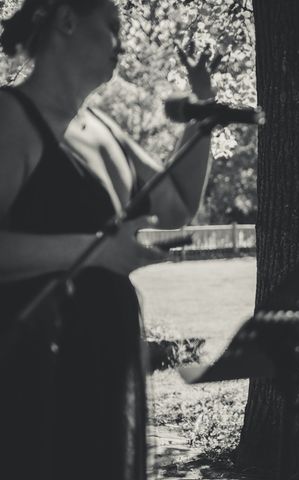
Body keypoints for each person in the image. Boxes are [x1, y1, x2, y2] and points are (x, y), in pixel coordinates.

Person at [0, 1, 220, 478]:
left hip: (103, 363)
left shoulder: (103, 129)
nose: (122, 43)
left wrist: (203, 108)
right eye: (114, 28)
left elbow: (179, 203)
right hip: (34, 375)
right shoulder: (11, 117)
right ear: (67, 20)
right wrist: (97, 250)